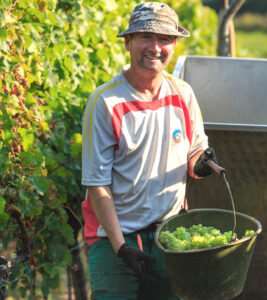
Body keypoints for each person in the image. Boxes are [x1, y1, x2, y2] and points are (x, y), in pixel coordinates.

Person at [81, 2, 210, 299]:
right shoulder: (105, 102)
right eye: (145, 37)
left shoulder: (182, 94)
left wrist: (203, 163)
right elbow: (97, 186)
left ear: (174, 45)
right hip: (114, 237)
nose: (155, 47)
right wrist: (121, 248)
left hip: (171, 236)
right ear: (128, 42)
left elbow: (194, 155)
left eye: (164, 39)